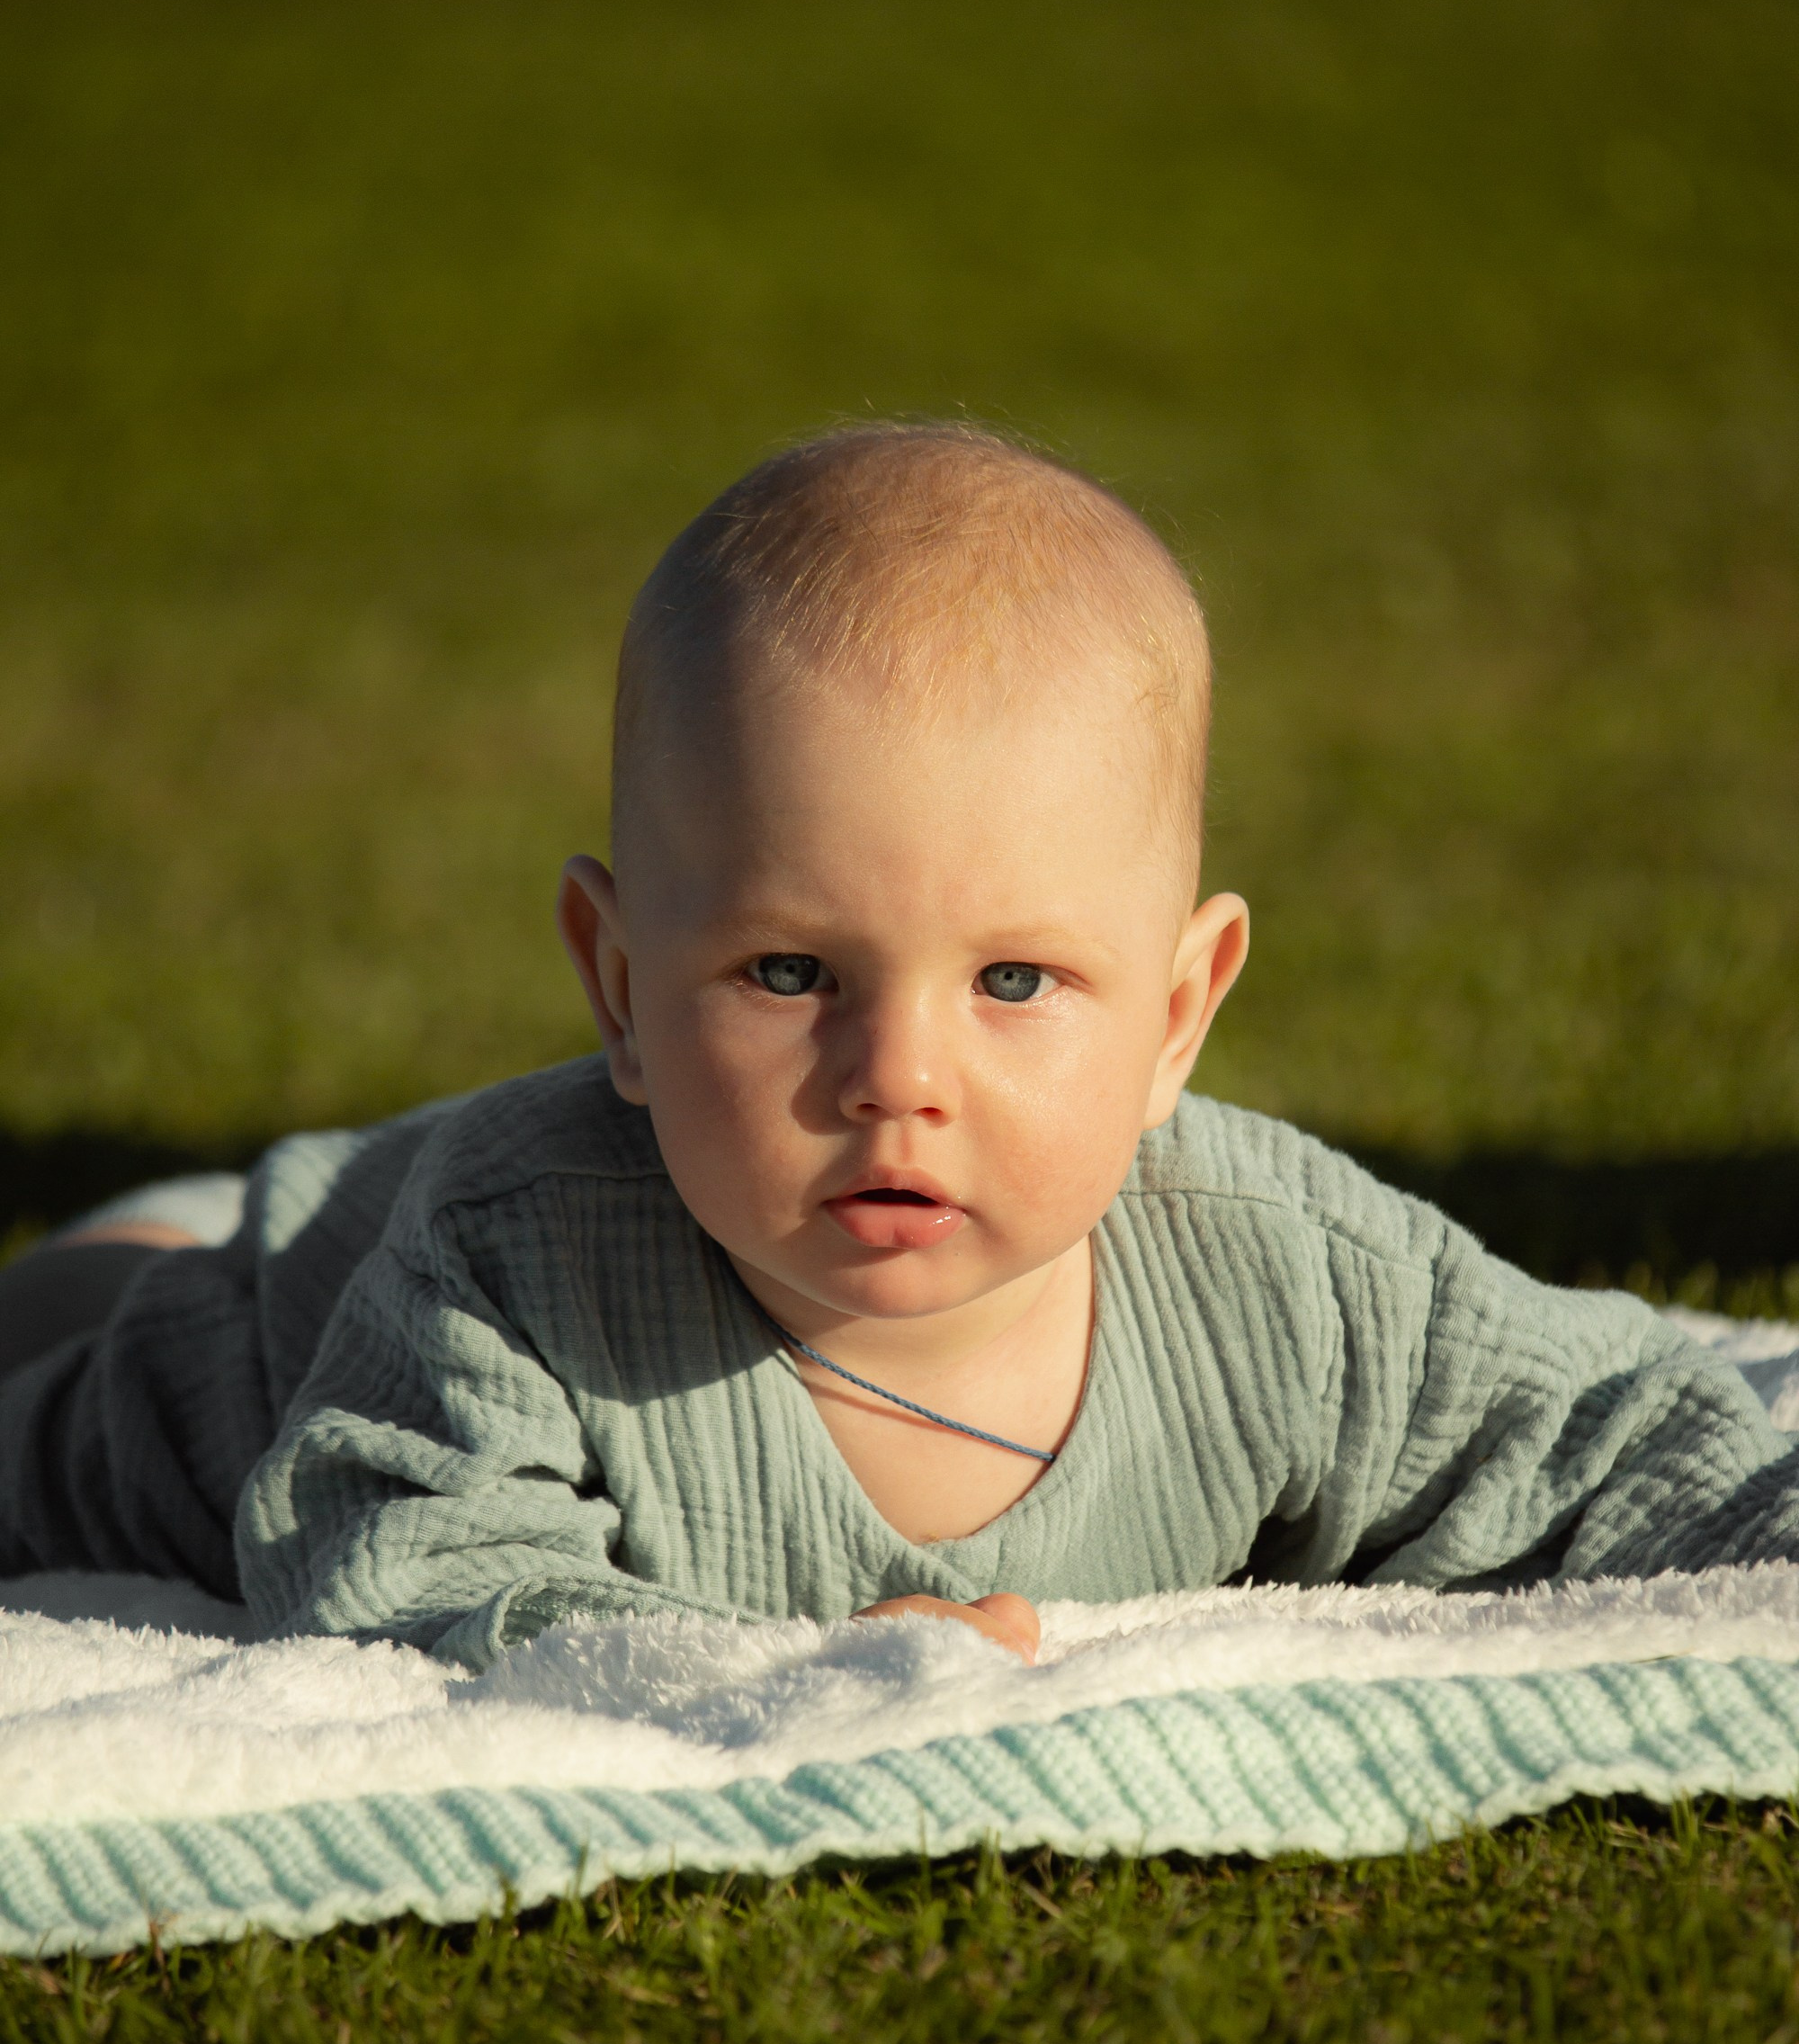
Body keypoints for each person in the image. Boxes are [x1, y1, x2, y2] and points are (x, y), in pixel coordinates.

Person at [1, 423, 1794, 1670]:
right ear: (618, 985)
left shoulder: (1289, 1282)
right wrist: (745, 1681)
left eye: (1015, 984)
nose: (896, 1077)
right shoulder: (506, 1262)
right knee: (51, 1373)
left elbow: (1606, 1438)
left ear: (1177, 1016)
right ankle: (137, 1241)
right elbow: (397, 1570)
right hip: (253, 1316)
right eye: (790, 972)